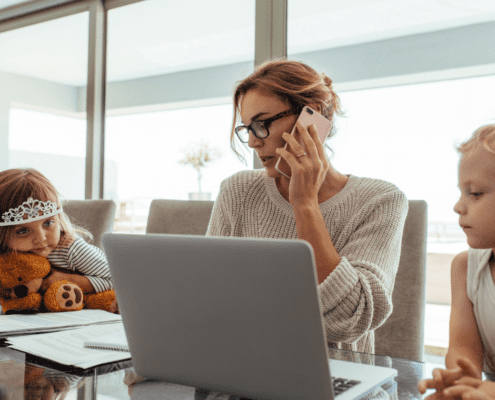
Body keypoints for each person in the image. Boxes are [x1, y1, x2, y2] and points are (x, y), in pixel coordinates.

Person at [125, 59, 409, 397]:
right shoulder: (238, 191)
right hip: (239, 375)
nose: (253, 142)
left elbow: (348, 320)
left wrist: (305, 204)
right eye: (246, 129)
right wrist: (170, 355)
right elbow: (211, 302)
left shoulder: (380, 200)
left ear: (313, 117)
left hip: (331, 382)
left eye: (262, 125)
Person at [418, 124, 495, 400]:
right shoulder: (465, 267)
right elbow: (463, 348)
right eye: (461, 192)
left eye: (474, 193)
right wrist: (462, 377)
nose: (458, 206)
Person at [0, 168, 117, 313]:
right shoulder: (6, 258)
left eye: (48, 223)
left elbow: (117, 279)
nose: (41, 238)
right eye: (23, 231)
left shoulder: (71, 249)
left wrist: (69, 279)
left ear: (59, 219)